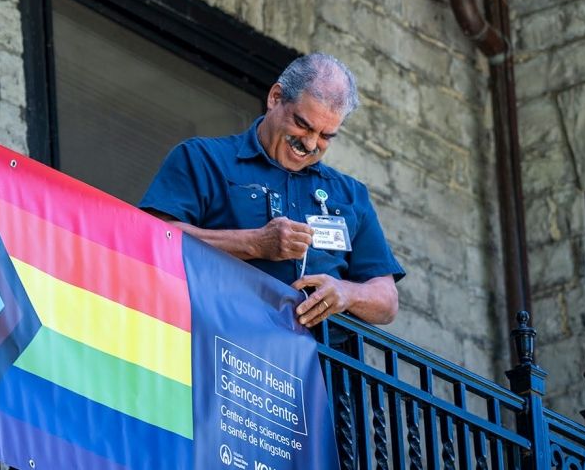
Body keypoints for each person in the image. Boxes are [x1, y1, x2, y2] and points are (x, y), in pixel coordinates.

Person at [140, 53, 402, 328]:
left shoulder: (351, 195)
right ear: (275, 97)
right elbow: (150, 236)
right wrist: (254, 243)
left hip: (315, 365)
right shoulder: (203, 158)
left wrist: (347, 293)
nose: (311, 144)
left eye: (326, 136)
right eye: (303, 125)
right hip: (216, 342)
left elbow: (387, 300)